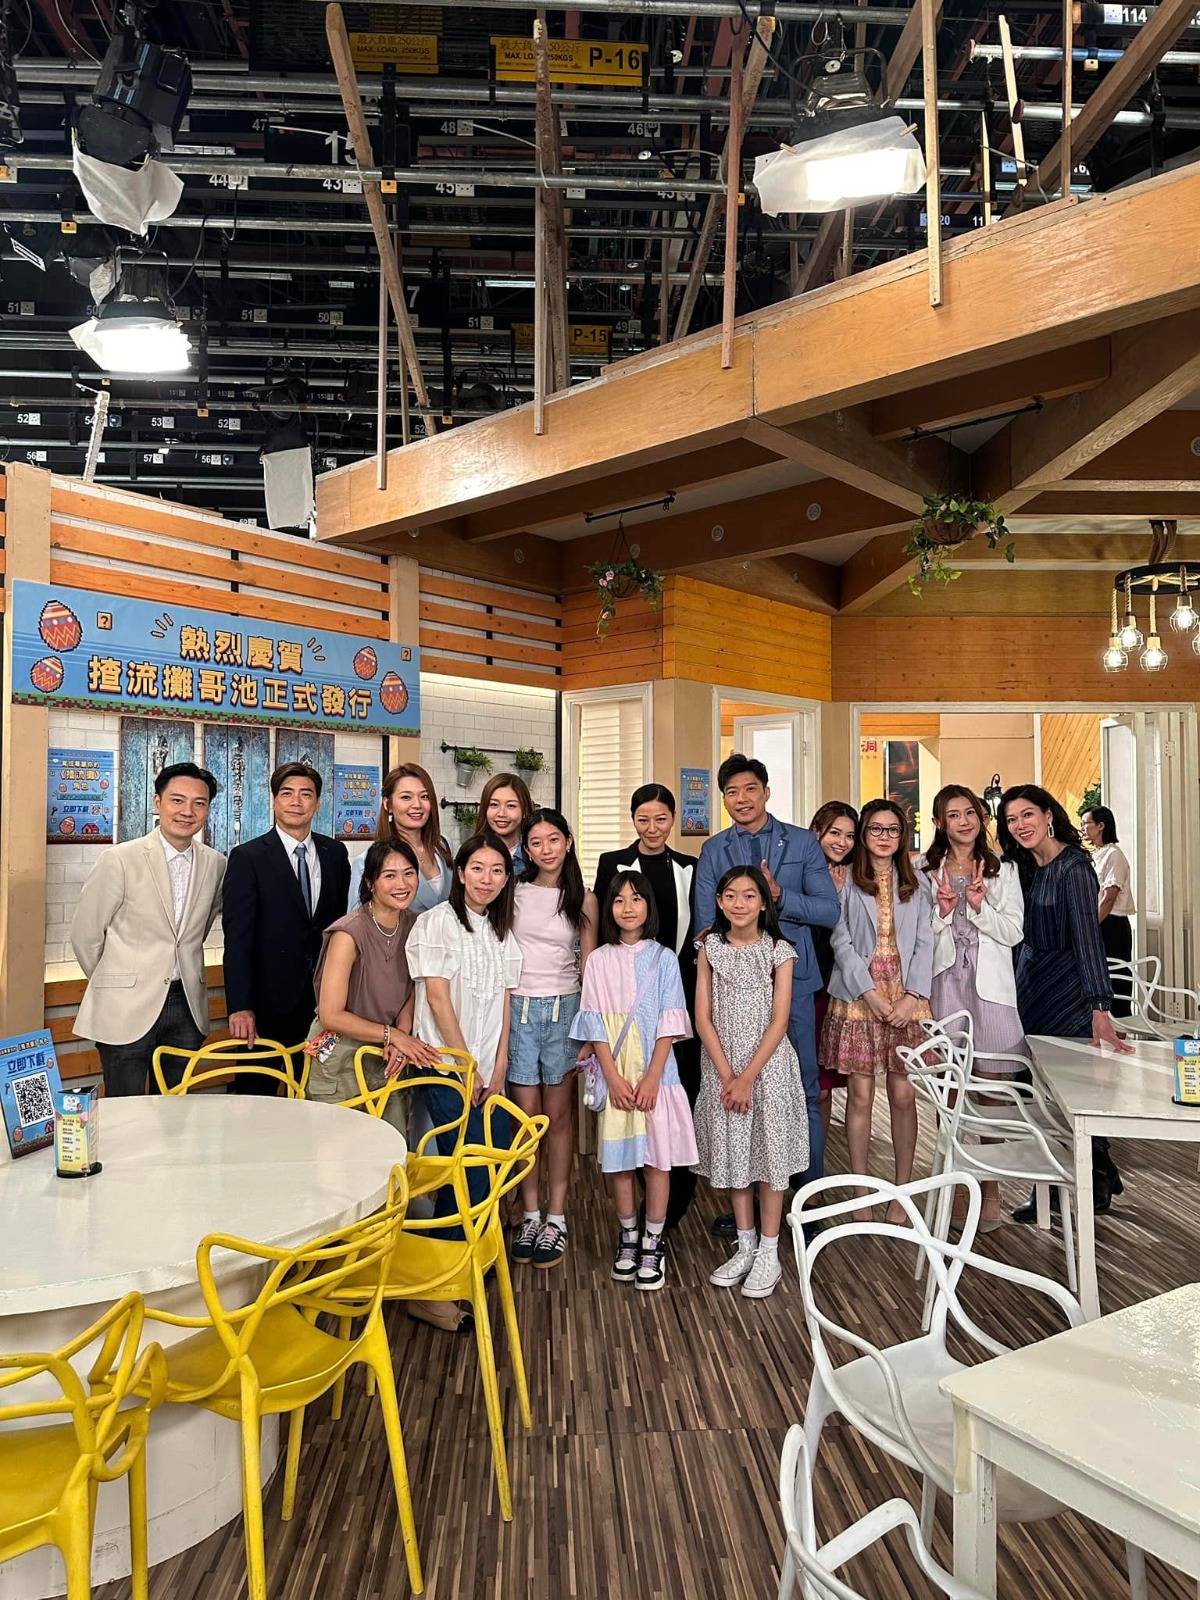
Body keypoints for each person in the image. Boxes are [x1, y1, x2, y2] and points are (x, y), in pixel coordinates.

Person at [695, 756, 840, 1194]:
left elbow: (829, 911)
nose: (741, 799)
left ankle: (807, 1198)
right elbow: (705, 925)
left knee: (804, 1090)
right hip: (734, 991)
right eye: (732, 792)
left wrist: (780, 895)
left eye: (750, 789)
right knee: (741, 1089)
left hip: (794, 983)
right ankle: (750, 1200)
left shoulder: (802, 843)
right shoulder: (714, 850)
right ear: (724, 799)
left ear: (766, 792)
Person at [998, 784, 1133, 1219]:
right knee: (1040, 1094)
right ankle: (1066, 1183)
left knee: (1072, 1093)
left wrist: (1100, 1006)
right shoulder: (1024, 867)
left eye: (1027, 815)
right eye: (1011, 819)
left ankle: (1091, 1178)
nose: (1020, 825)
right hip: (1030, 989)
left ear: (1048, 815)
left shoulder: (1074, 867)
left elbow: (1088, 938)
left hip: (1068, 991)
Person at [571, 871, 697, 1293]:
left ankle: (652, 1240)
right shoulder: (598, 961)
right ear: (608, 908)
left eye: (636, 899)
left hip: (657, 1077)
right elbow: (594, 1023)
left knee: (657, 1162)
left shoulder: (664, 959)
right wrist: (612, 1075)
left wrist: (652, 1077)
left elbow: (670, 1022)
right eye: (619, 899)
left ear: (649, 906)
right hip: (618, 1077)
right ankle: (627, 1236)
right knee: (621, 1163)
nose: (628, 907)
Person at [71, 762, 225, 1096]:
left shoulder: (216, 863)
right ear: (157, 802)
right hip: (124, 1006)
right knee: (125, 1109)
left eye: (199, 803)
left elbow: (199, 929)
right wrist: (117, 980)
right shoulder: (120, 859)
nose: (187, 811)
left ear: (207, 809)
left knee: (174, 1112)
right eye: (177, 800)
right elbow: (86, 935)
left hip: (186, 1004)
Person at [693, 866, 808, 1300]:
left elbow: (779, 1021)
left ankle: (769, 1252)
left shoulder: (779, 951)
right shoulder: (709, 948)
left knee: (770, 1158)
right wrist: (728, 1077)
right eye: (730, 895)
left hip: (768, 1068)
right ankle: (745, 1246)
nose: (739, 903)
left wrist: (747, 1077)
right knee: (736, 1156)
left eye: (748, 895)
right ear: (719, 902)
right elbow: (702, 1017)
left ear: (763, 903)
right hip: (722, 1067)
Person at [593, 783, 700, 1230]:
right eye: (643, 819)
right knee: (629, 1107)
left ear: (673, 819)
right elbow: (601, 925)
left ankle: (670, 1206)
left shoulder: (689, 867)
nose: (652, 827)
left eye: (661, 819)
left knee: (677, 1095)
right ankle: (635, 1206)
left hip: (677, 993)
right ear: (632, 819)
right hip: (622, 997)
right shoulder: (612, 863)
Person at [822, 799, 934, 1222]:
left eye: (892, 829)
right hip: (858, 997)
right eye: (875, 829)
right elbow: (841, 940)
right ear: (863, 833)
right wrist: (868, 993)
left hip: (905, 997)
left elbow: (925, 941)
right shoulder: (846, 879)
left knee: (903, 1094)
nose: (884, 837)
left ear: (902, 835)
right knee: (861, 1096)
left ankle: (901, 1190)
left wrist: (912, 995)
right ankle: (861, 1190)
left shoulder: (918, 880)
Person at [921, 785, 1027, 1229]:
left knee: (991, 1093)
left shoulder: (1005, 870)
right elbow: (920, 935)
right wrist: (945, 911)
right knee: (949, 1093)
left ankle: (991, 1189)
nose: (963, 821)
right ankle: (955, 1186)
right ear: (939, 823)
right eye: (953, 815)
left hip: (990, 989)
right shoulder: (924, 870)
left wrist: (980, 908)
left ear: (980, 818)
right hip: (945, 984)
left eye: (969, 813)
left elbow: (1014, 931)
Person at [406, 833, 523, 1211]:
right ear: (460, 873)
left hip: (488, 1072)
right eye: (477, 869)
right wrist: (465, 1066)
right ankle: (453, 1245)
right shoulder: (436, 922)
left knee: (495, 1158)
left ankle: (470, 1243)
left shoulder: (501, 931)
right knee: (468, 1170)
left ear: (506, 878)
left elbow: (505, 1001)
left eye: (497, 871)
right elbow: (437, 999)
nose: (486, 879)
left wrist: (499, 1068)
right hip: (446, 1067)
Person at [222, 762, 351, 1093]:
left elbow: (340, 928)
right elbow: (237, 939)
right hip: (264, 1008)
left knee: (314, 1092)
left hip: (322, 1006)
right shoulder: (248, 857)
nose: (296, 801)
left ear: (317, 803)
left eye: (306, 794)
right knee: (256, 1097)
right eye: (287, 793)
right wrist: (240, 1006)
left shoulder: (335, 854)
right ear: (274, 801)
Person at [508, 808, 598, 1270]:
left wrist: (590, 1030)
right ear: (526, 849)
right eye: (536, 842)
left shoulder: (584, 898)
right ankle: (529, 1214)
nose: (545, 849)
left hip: (565, 1010)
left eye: (553, 840)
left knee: (558, 1117)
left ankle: (556, 1216)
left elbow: (590, 965)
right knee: (527, 1120)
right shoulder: (512, 890)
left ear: (568, 841)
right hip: (519, 1010)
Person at [306, 838, 441, 1110]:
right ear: (370, 882)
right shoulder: (349, 932)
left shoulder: (418, 925)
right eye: (389, 876)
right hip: (341, 1055)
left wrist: (401, 1035)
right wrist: (393, 1035)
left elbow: (414, 989)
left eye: (409, 873)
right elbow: (331, 1014)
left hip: (387, 1054)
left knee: (393, 1135)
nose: (402, 884)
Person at [809, 802, 859, 1144]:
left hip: (837, 986)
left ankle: (817, 1162)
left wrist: (839, 895)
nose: (842, 842)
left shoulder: (854, 875)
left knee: (824, 1088)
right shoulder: (800, 870)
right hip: (804, 984)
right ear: (817, 832)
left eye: (850, 836)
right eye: (835, 833)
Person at [348, 762, 453, 913]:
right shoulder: (366, 861)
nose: (417, 805)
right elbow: (357, 920)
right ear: (388, 804)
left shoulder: (443, 845)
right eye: (406, 797)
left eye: (424, 796)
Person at [1081, 804, 1135, 1018]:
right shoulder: (1095, 854)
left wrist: (1090, 926)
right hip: (1100, 922)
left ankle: (1121, 1029)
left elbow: (1109, 897)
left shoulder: (1114, 855)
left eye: (1086, 823)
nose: (1083, 828)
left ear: (1101, 826)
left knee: (1116, 980)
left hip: (1112, 925)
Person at [474, 772, 534, 875]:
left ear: (525, 811)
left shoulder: (535, 856)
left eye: (511, 806)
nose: (501, 814)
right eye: (494, 804)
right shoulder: (472, 854)